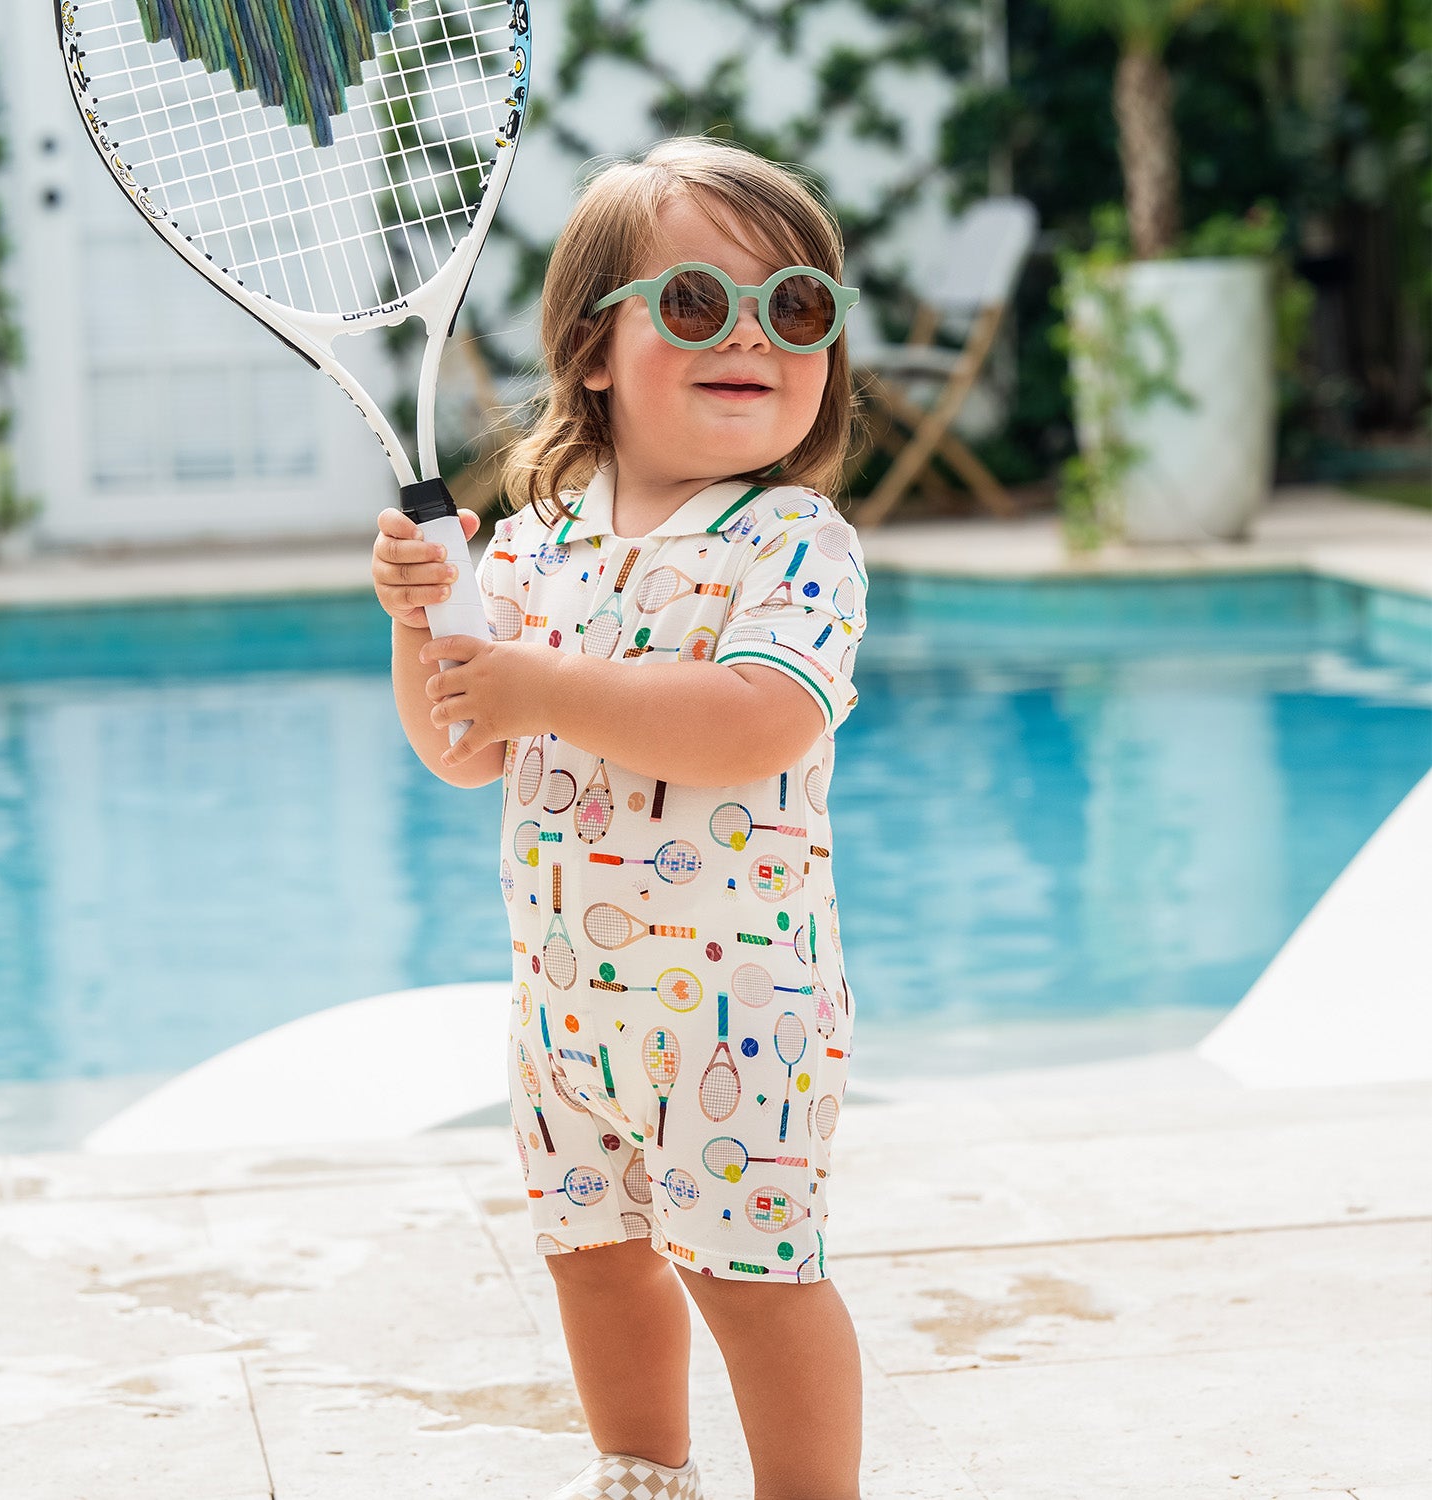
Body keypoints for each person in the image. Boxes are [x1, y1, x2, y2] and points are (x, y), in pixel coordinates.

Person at [372, 136, 869, 1500]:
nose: (755, 338)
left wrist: (538, 679)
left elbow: (756, 719)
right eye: (700, 304)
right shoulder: (539, 546)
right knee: (593, 1260)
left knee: (754, 1279)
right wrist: (430, 627)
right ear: (597, 349)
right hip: (566, 1008)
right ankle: (641, 1476)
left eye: (800, 308)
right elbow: (465, 748)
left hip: (735, 1010)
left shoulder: (791, 543)